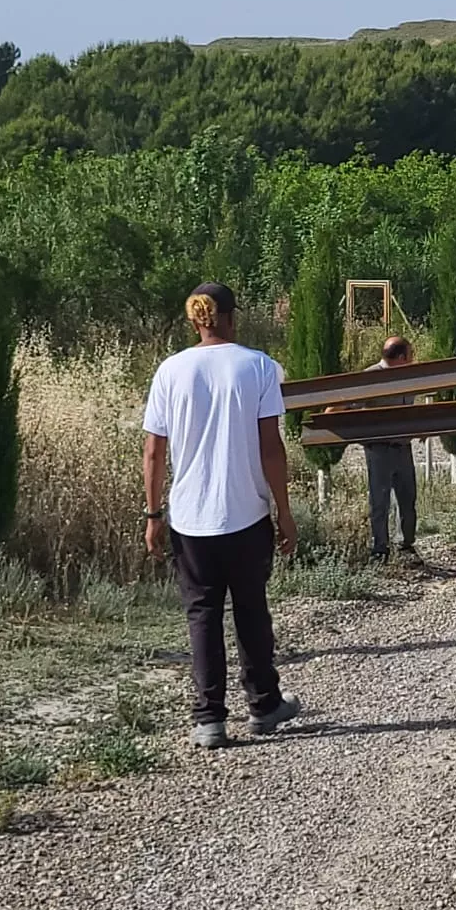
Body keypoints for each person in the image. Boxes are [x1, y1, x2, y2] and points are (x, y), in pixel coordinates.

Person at [143, 282, 301, 749]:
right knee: (251, 609)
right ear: (233, 316)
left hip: (189, 518)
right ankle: (264, 704)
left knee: (202, 616)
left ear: (194, 319)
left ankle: (209, 718)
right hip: (246, 512)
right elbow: (272, 447)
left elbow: (154, 451)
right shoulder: (258, 367)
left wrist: (153, 514)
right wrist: (284, 512)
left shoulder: (171, 370)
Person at [361, 336, 420, 563]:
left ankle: (405, 545)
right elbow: (344, 404)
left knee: (408, 499)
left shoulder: (410, 377)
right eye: (411, 354)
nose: (413, 359)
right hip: (379, 449)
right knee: (380, 500)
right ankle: (380, 550)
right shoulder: (371, 377)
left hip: (403, 447)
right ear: (402, 357)